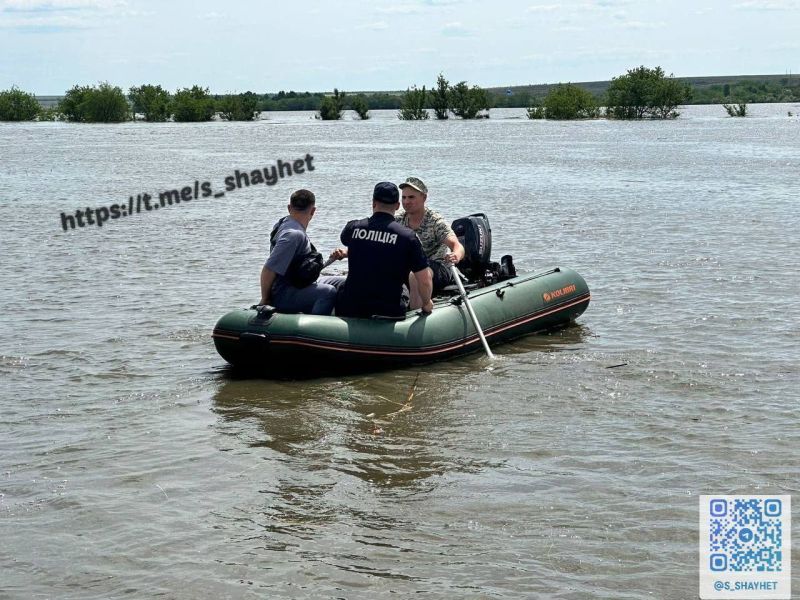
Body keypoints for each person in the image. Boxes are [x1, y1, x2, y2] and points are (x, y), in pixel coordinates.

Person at [334, 182, 433, 318]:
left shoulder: (353, 227)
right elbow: (424, 280)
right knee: (403, 288)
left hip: (350, 307)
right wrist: (427, 303)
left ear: (373, 203)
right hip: (388, 310)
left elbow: (354, 242)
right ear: (398, 206)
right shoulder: (407, 237)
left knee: (342, 287)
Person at [259, 189, 338, 315]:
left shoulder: (284, 223)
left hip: (297, 283)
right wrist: (265, 300)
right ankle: (314, 330)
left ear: (289, 208)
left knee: (340, 281)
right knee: (328, 292)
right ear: (313, 211)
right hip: (284, 294)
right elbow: (269, 269)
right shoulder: (293, 235)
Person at [396, 177, 465, 300]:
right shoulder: (398, 219)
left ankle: (417, 313)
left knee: (416, 275)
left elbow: (457, 246)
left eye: (411, 197)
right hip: (408, 266)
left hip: (436, 268)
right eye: (404, 197)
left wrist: (456, 255)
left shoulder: (435, 221)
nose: (406, 202)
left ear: (424, 198)